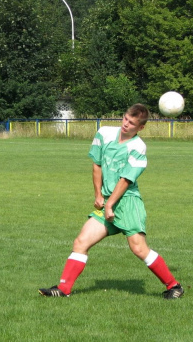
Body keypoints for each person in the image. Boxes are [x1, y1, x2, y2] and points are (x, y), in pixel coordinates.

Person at [38, 104, 184, 300]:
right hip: (107, 200)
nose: (125, 124)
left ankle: (174, 286)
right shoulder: (104, 133)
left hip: (128, 202)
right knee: (81, 241)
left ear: (140, 128)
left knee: (139, 248)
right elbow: (96, 165)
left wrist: (109, 205)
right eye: (125, 119)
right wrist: (98, 195)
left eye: (131, 123)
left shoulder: (138, 147)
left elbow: (125, 180)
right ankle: (63, 289)